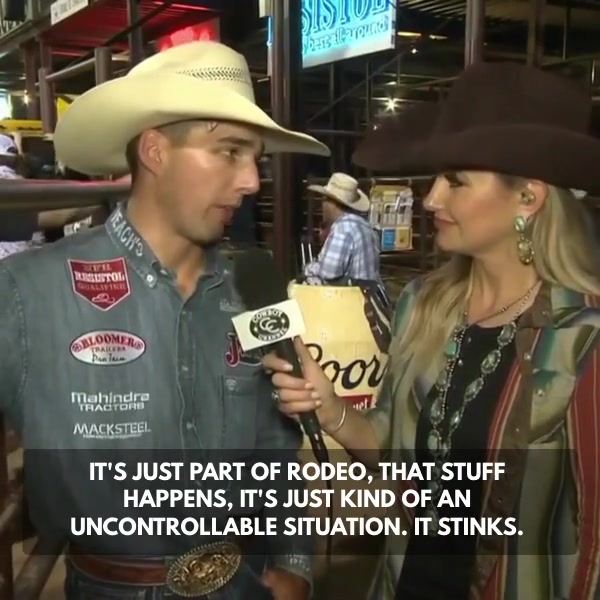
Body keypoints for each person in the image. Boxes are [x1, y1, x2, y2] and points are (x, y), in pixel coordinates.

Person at [0, 41, 329, 599]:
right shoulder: (26, 292)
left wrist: (294, 564)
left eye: (254, 158)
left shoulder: (258, 291)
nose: (252, 181)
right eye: (229, 151)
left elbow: (279, 447)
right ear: (155, 151)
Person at [263, 61, 600, 600]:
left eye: (456, 181)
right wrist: (331, 410)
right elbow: (394, 451)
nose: (431, 199)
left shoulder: (583, 340)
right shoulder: (424, 305)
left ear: (528, 198)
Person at [303, 172, 381, 284]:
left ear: (332, 203)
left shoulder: (343, 229)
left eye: (324, 199)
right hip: (367, 292)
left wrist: (309, 268)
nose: (322, 205)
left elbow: (328, 273)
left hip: (350, 294)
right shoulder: (366, 226)